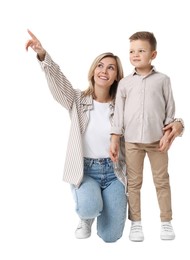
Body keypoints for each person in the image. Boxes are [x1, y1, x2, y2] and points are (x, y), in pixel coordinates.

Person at [25, 29, 128, 243]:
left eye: (111, 68)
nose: (104, 71)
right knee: (89, 208)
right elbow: (57, 80)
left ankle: (97, 209)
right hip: (86, 170)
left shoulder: (123, 106)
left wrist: (177, 123)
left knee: (111, 237)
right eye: (100, 65)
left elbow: (148, 117)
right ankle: (87, 214)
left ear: (117, 76)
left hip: (114, 172)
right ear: (93, 71)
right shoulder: (77, 100)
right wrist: (43, 55)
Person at [110, 31, 184, 242]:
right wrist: (115, 137)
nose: (135, 55)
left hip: (157, 142)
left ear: (153, 54)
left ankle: (166, 221)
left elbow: (170, 109)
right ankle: (136, 223)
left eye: (141, 51)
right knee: (133, 183)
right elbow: (119, 114)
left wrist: (169, 132)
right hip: (131, 142)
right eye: (132, 51)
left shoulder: (163, 80)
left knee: (162, 181)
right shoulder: (124, 83)